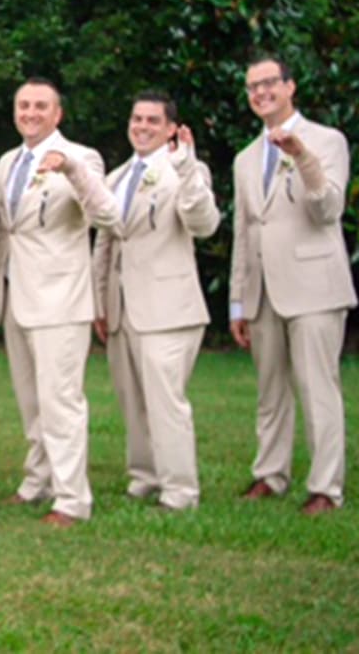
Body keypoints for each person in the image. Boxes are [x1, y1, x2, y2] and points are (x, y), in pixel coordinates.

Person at [230, 56, 356, 515]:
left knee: (317, 386)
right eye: (252, 87)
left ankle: (326, 486)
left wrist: (302, 158)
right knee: (270, 389)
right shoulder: (246, 158)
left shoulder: (326, 141)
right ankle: (270, 474)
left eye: (268, 84)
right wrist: (238, 302)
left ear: (290, 86)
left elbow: (328, 210)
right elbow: (245, 232)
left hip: (314, 285)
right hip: (262, 291)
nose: (260, 93)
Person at [0, 78, 118, 528]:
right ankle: (38, 480)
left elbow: (108, 215)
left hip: (61, 298)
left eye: (40, 106)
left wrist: (71, 170)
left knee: (61, 399)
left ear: (57, 114)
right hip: (16, 295)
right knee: (30, 400)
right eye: (23, 105)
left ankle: (72, 498)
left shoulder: (81, 157)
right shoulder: (8, 162)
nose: (31, 112)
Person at [91, 93, 220, 511]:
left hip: (169, 305)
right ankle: (144, 474)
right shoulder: (117, 176)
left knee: (166, 402)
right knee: (132, 398)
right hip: (122, 305)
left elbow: (203, 223)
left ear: (170, 129)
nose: (142, 126)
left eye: (152, 120)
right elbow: (106, 243)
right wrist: (99, 300)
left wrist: (185, 168)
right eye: (136, 118)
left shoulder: (186, 170)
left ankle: (181, 489)